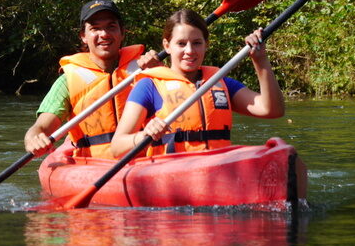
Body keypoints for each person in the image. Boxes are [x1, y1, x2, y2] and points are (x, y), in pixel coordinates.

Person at [111, 8, 285, 158]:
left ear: (206, 45)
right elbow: (117, 146)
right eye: (181, 43)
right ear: (167, 45)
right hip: (173, 176)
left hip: (219, 171)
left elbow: (272, 110)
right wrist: (144, 135)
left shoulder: (219, 82)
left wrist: (260, 61)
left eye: (197, 43)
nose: (189, 51)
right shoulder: (149, 86)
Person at [24, 0, 159, 159]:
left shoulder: (146, 69)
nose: (104, 34)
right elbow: (41, 127)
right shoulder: (67, 81)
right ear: (83, 36)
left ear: (122, 32)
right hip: (94, 164)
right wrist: (33, 139)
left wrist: (160, 71)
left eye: (111, 27)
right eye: (95, 28)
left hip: (146, 159)